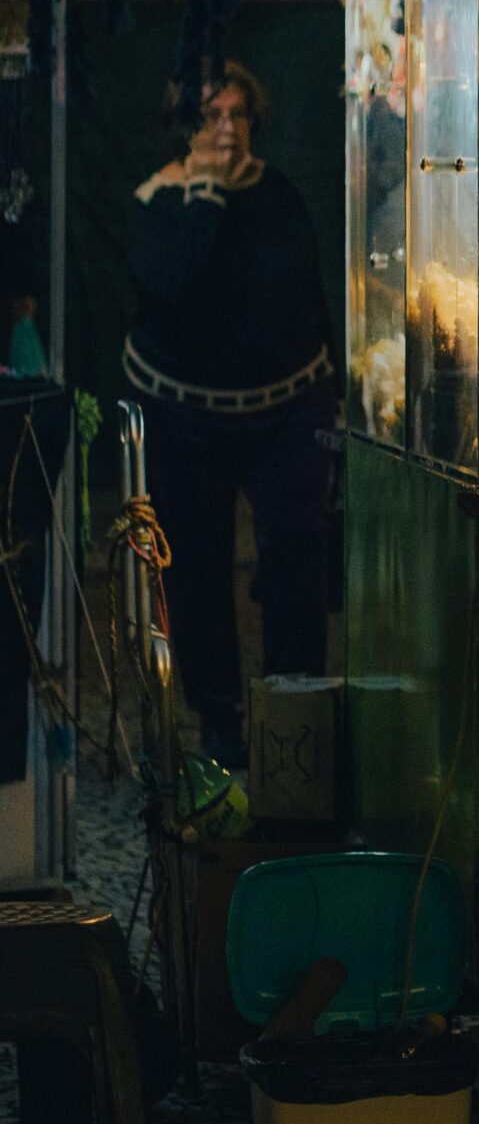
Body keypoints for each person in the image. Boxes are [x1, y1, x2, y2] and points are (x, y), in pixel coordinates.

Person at [125, 63, 336, 765]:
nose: (227, 129)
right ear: (184, 127)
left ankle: (295, 717)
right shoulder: (160, 201)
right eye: (211, 115)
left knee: (295, 564)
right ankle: (217, 720)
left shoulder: (277, 193)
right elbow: (176, 284)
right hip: (185, 414)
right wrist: (206, 191)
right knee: (197, 570)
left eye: (238, 114)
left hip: (285, 409)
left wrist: (330, 397)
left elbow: (309, 294)